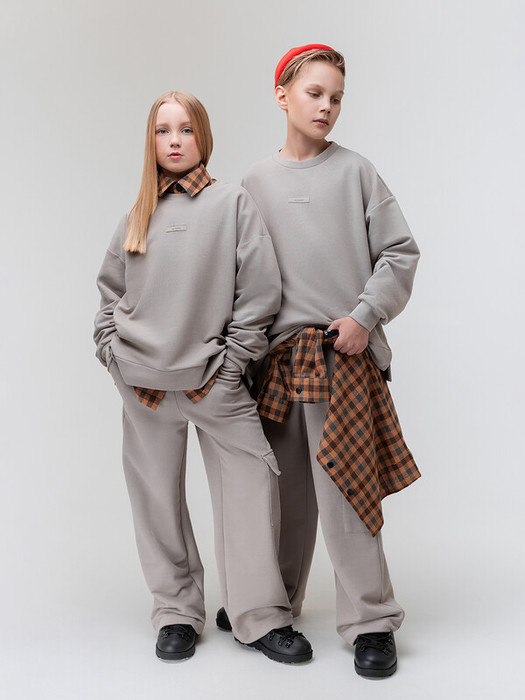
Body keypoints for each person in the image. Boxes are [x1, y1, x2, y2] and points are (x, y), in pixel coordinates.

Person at [93, 90, 312, 664]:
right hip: (143, 385)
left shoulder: (232, 203)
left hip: (214, 382)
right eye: (163, 130)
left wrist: (232, 366)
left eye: (185, 129)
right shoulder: (138, 213)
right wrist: (112, 354)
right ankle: (176, 612)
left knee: (250, 489)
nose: (174, 141)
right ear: (151, 141)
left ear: (203, 137)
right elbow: (110, 293)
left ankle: (258, 617)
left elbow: (259, 292)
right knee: (155, 499)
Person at [230, 45, 421, 678]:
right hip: (278, 361)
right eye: (315, 93)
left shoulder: (357, 172)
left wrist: (365, 317)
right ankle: (272, 604)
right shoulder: (254, 183)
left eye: (336, 97)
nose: (327, 106)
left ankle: (371, 622)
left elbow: (400, 252)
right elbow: (241, 274)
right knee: (280, 494)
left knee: (345, 490)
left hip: (341, 354)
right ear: (282, 94)